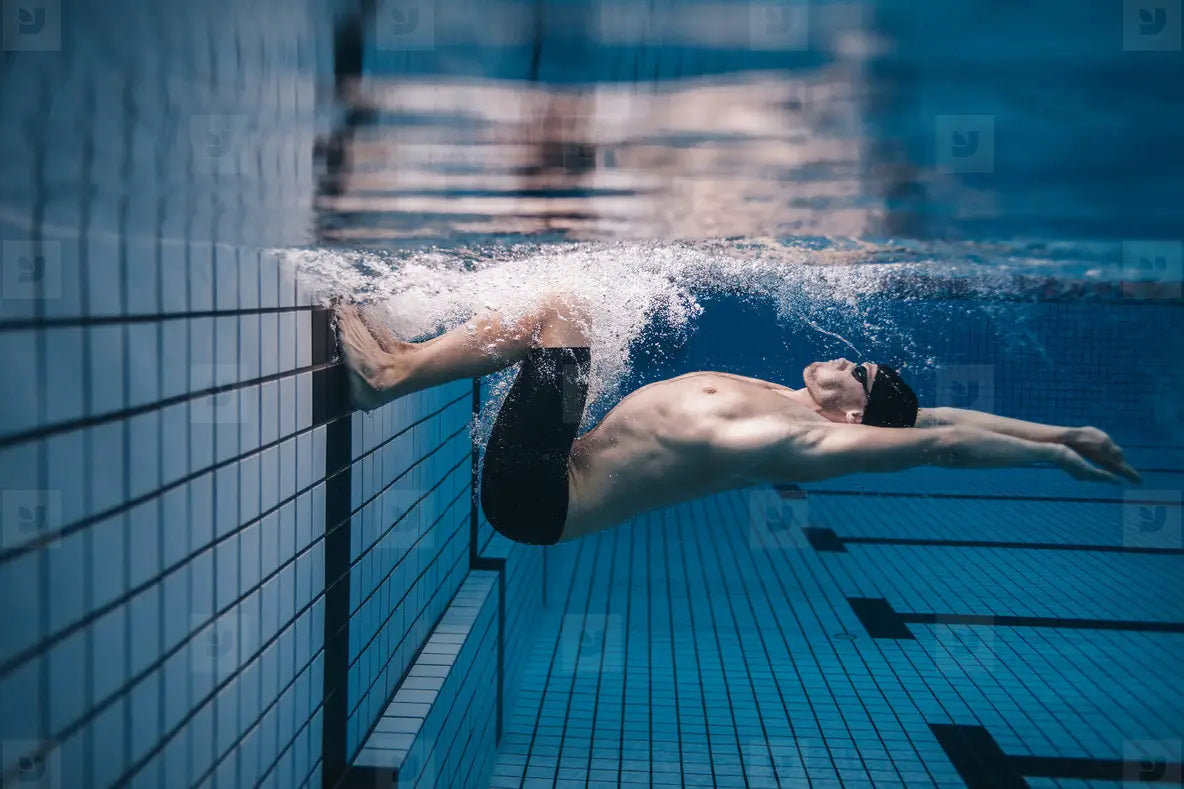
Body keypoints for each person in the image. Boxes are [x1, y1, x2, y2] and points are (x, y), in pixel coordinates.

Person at [334, 295, 1141, 546]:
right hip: (558, 462)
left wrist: (1051, 464)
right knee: (564, 312)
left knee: (560, 311)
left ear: (852, 413)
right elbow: (941, 415)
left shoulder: (800, 435)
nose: (848, 358)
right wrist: (1062, 433)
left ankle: (388, 374)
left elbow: (943, 444)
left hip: (537, 494)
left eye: (859, 372)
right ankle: (404, 355)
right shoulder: (798, 397)